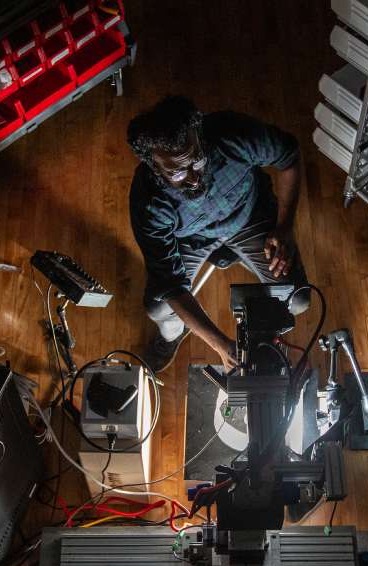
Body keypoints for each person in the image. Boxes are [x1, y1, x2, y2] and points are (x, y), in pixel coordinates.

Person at [128, 95, 310, 373]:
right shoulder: (149, 202)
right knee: (158, 309)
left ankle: (262, 334)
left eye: (196, 161)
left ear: (200, 139)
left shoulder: (233, 134)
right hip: (190, 240)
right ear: (155, 169)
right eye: (176, 172)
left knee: (298, 299)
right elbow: (171, 285)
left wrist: (285, 228)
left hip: (250, 218)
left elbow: (289, 157)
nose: (192, 177)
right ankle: (172, 336)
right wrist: (219, 344)